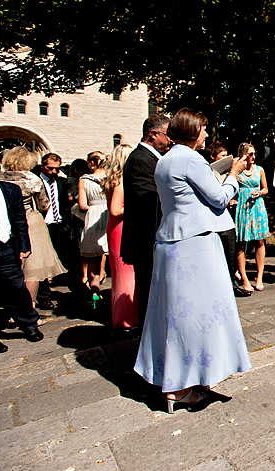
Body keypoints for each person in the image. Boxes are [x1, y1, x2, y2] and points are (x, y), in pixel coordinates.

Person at [134, 108, 251, 412]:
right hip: (194, 245)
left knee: (174, 316)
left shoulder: (166, 159)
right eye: (204, 129)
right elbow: (219, 198)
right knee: (198, 317)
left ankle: (182, 377)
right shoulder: (189, 158)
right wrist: (234, 175)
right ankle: (179, 388)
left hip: (173, 242)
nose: (207, 135)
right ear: (193, 131)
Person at [0, 147, 43, 353]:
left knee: (16, 288)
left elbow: (19, 220)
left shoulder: (10, 189)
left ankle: (28, 324)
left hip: (7, 248)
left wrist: (23, 245)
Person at [0, 147, 66, 310]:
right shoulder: (31, 179)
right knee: (32, 270)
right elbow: (44, 204)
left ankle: (10, 310)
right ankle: (28, 309)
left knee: (11, 268)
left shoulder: (0, 179)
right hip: (30, 221)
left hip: (6, 222)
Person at [122, 114, 172, 329]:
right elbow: (147, 199)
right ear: (153, 134)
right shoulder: (140, 160)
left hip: (152, 236)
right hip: (146, 239)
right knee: (149, 290)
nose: (171, 140)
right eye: (168, 135)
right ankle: (146, 338)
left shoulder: (153, 158)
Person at [207, 142, 251, 298]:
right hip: (214, 219)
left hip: (227, 217)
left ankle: (233, 282)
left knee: (230, 252)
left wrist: (234, 198)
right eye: (222, 156)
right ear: (213, 157)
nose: (225, 159)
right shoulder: (207, 172)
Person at [103, 144, 139, 329]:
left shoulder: (114, 179)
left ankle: (125, 315)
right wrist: (137, 205)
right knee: (125, 275)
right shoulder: (121, 181)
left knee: (121, 274)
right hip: (121, 228)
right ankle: (126, 319)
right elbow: (116, 210)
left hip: (116, 228)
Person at [38, 152, 75, 308]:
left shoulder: (60, 182)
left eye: (56, 169)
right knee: (42, 263)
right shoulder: (36, 181)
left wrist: (66, 223)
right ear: (42, 166)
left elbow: (64, 204)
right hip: (43, 225)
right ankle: (43, 296)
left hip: (59, 225)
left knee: (67, 258)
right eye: (49, 168)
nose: (53, 172)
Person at [234, 143, 270, 291]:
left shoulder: (259, 170)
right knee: (241, 242)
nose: (253, 157)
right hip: (243, 206)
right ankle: (244, 277)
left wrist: (260, 192)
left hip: (257, 207)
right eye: (250, 154)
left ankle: (259, 276)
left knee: (260, 241)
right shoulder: (236, 168)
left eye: (254, 154)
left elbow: (266, 188)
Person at [78, 151, 109, 301]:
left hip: (93, 215)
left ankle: (95, 292)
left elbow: (83, 205)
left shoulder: (84, 180)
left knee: (93, 259)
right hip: (109, 214)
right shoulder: (111, 178)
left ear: (92, 163)